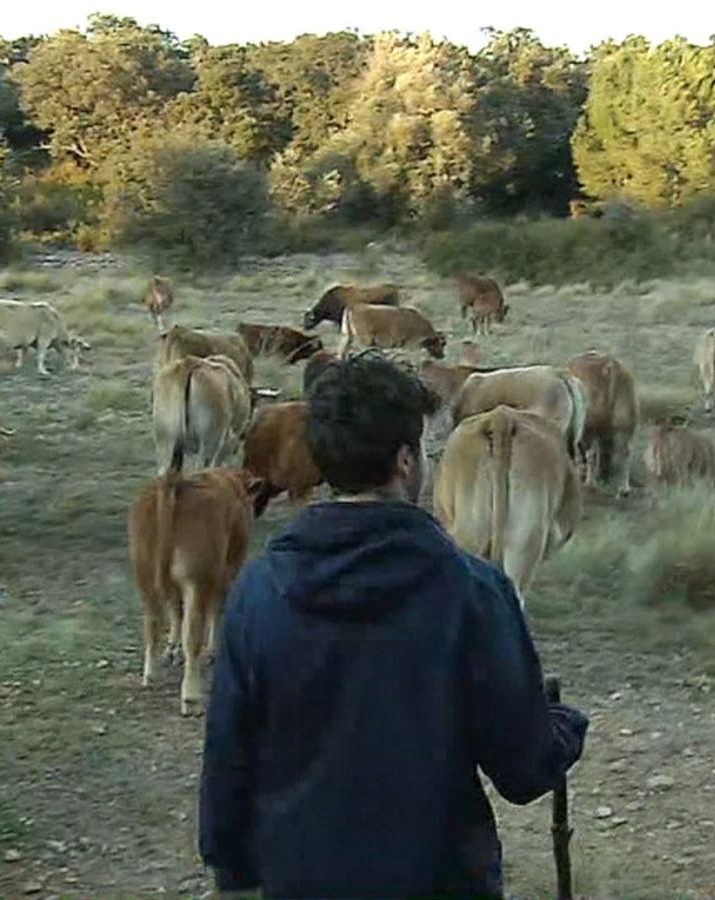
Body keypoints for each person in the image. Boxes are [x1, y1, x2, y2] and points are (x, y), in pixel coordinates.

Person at [199, 352, 589, 898]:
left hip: (301, 877)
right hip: (439, 878)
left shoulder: (257, 593)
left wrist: (232, 869)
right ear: (406, 462)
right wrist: (564, 728)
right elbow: (523, 769)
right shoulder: (473, 591)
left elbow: (228, 753)